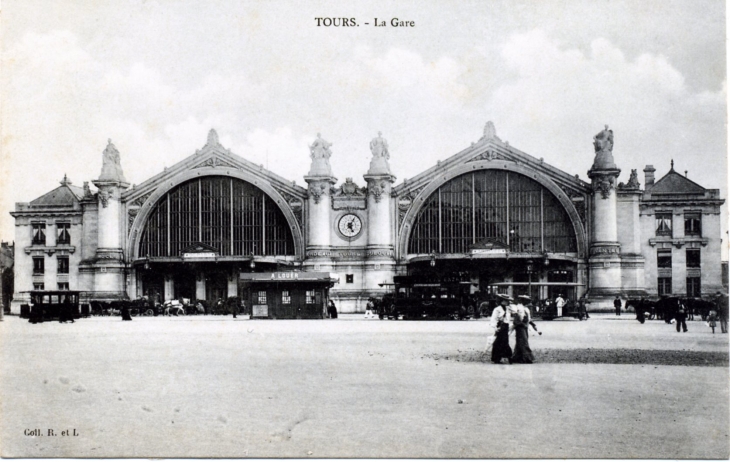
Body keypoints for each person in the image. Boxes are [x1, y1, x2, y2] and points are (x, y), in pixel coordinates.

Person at [489, 295, 514, 364]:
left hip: (506, 327)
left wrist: (510, 307)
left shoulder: (508, 309)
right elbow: (493, 319)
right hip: (500, 326)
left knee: (501, 342)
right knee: (501, 342)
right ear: (502, 301)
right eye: (507, 301)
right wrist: (495, 327)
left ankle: (499, 358)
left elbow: (515, 312)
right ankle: (508, 357)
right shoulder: (497, 309)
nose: (508, 302)